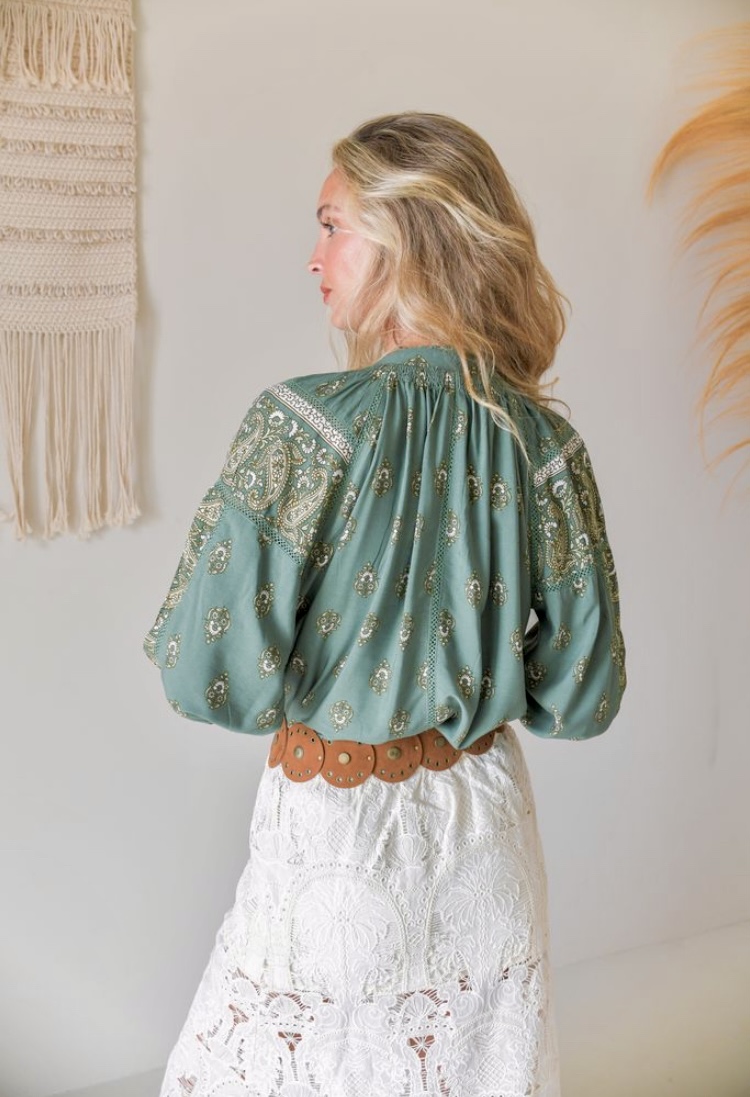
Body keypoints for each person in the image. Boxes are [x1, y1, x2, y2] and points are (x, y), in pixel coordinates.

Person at [145, 112, 626, 1097]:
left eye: (332, 225)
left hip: (337, 836)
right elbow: (582, 695)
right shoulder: (545, 447)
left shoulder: (303, 426)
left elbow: (203, 672)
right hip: (485, 836)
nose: (313, 256)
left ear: (404, 237)